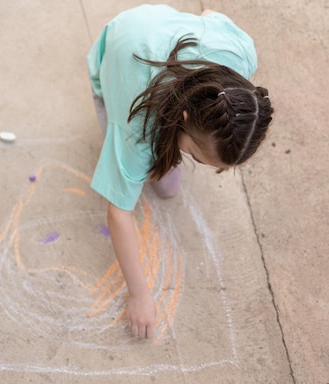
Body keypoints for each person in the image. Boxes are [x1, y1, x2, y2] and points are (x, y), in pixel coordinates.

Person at [86, 4, 274, 339]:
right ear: (183, 120)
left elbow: (211, 15)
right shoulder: (135, 129)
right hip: (118, 54)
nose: (199, 165)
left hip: (155, 25)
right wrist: (140, 294)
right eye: (198, 158)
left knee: (166, 185)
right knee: (134, 165)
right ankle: (161, 157)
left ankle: (170, 157)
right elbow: (118, 213)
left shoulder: (239, 62)